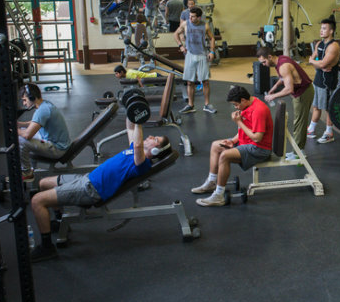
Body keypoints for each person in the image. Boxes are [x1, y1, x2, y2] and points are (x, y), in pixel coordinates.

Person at [29, 118, 171, 262]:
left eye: (156, 139)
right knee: (43, 183)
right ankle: (59, 220)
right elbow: (130, 128)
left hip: (90, 189)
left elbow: (139, 144)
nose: (151, 136)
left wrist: (139, 120)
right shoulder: (133, 151)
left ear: (155, 150)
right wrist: (132, 113)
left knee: (37, 200)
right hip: (86, 178)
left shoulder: (142, 163)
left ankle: (47, 247)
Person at [191, 86, 273, 206]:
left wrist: (238, 122)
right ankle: (211, 182)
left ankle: (219, 196)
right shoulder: (248, 104)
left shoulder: (258, 110)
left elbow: (257, 137)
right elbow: (246, 128)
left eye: (236, 104)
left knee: (225, 155)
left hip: (259, 148)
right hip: (247, 142)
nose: (235, 107)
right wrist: (234, 141)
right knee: (215, 145)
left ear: (243, 100)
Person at [257, 47, 315, 160]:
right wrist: (274, 87)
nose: (263, 64)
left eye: (264, 62)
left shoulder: (283, 66)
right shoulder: (281, 60)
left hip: (303, 93)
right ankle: (298, 150)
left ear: (269, 56)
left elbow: (289, 89)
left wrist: (272, 96)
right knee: (298, 122)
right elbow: (283, 77)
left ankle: (298, 153)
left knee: (299, 123)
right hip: (301, 92)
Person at [17, 83, 71, 183]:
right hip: (54, 141)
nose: (24, 103)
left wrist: (14, 130)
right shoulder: (44, 104)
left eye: (25, 100)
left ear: (32, 97)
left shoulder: (43, 110)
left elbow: (27, 135)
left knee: (21, 140)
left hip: (57, 148)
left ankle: (27, 173)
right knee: (23, 131)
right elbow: (35, 123)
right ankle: (32, 167)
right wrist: (20, 125)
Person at [174, 6, 217, 114]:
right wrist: (181, 46)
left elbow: (212, 38)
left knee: (205, 81)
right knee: (190, 82)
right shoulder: (185, 24)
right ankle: (190, 105)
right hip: (190, 55)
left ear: (199, 17)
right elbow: (175, 34)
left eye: (193, 17)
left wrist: (212, 51)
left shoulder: (205, 26)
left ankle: (207, 105)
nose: (190, 18)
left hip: (202, 55)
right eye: (190, 16)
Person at [307, 18, 340, 144]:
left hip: (328, 81)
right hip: (318, 80)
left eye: (324, 28)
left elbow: (321, 63)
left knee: (328, 108)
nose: (321, 31)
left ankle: (329, 133)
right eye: (321, 28)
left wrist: (317, 63)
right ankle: (311, 129)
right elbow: (315, 61)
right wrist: (316, 63)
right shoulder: (319, 44)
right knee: (316, 106)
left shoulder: (333, 46)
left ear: (331, 31)